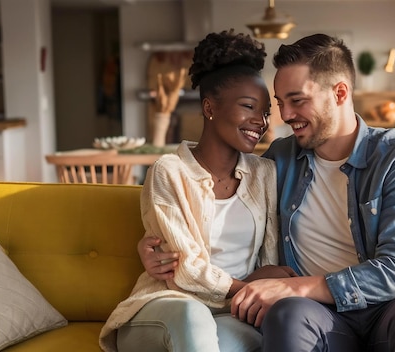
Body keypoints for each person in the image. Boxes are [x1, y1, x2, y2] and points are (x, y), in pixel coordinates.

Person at [227, 33, 395, 351]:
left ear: (339, 93)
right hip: (319, 315)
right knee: (287, 314)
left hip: (392, 307)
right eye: (281, 103)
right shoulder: (278, 158)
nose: (286, 115)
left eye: (297, 100)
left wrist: (292, 287)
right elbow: (223, 205)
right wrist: (159, 242)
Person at [99, 29, 296, 352]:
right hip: (166, 306)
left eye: (265, 112)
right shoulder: (169, 171)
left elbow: (269, 257)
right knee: (192, 317)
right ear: (209, 107)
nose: (259, 121)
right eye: (248, 106)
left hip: (232, 312)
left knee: (245, 340)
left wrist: (264, 288)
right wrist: (250, 287)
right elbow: (185, 272)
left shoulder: (264, 172)